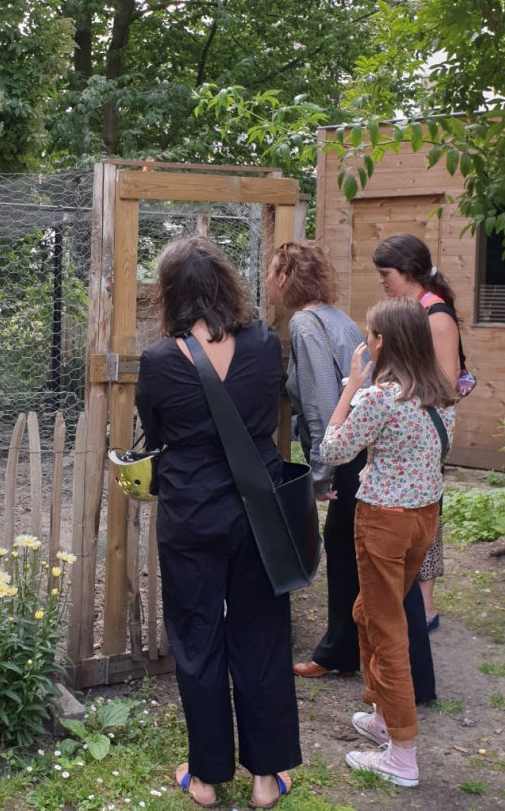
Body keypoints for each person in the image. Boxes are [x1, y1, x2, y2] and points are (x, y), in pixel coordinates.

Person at [136, 236, 300, 810]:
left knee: (197, 638)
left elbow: (153, 434)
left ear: (171, 294)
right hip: (259, 510)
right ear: (229, 284)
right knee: (262, 633)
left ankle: (205, 778)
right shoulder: (263, 345)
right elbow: (272, 411)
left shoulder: (158, 361)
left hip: (191, 513)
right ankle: (265, 778)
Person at [266, 243, 436, 700]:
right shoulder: (337, 317)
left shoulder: (304, 323)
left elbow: (324, 402)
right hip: (371, 447)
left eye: (272, 274)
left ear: (285, 279)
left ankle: (348, 657)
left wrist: (323, 475)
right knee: (366, 562)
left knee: (349, 558)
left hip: (348, 450)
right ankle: (364, 657)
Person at [321, 297, 456, 787]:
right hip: (424, 519)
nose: (366, 342)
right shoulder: (440, 395)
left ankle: (401, 755)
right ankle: (382, 715)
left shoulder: (380, 398)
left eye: (369, 335)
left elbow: (333, 448)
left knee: (387, 629)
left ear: (383, 342)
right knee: (369, 612)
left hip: (383, 522)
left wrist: (352, 386)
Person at [372, 233, 464, 631]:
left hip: (421, 432)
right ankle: (415, 603)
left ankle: (425, 607)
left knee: (425, 514)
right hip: (405, 428)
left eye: (386, 273)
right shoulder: (411, 308)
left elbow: (448, 383)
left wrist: (398, 397)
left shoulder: (436, 314)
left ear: (409, 273)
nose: (381, 280)